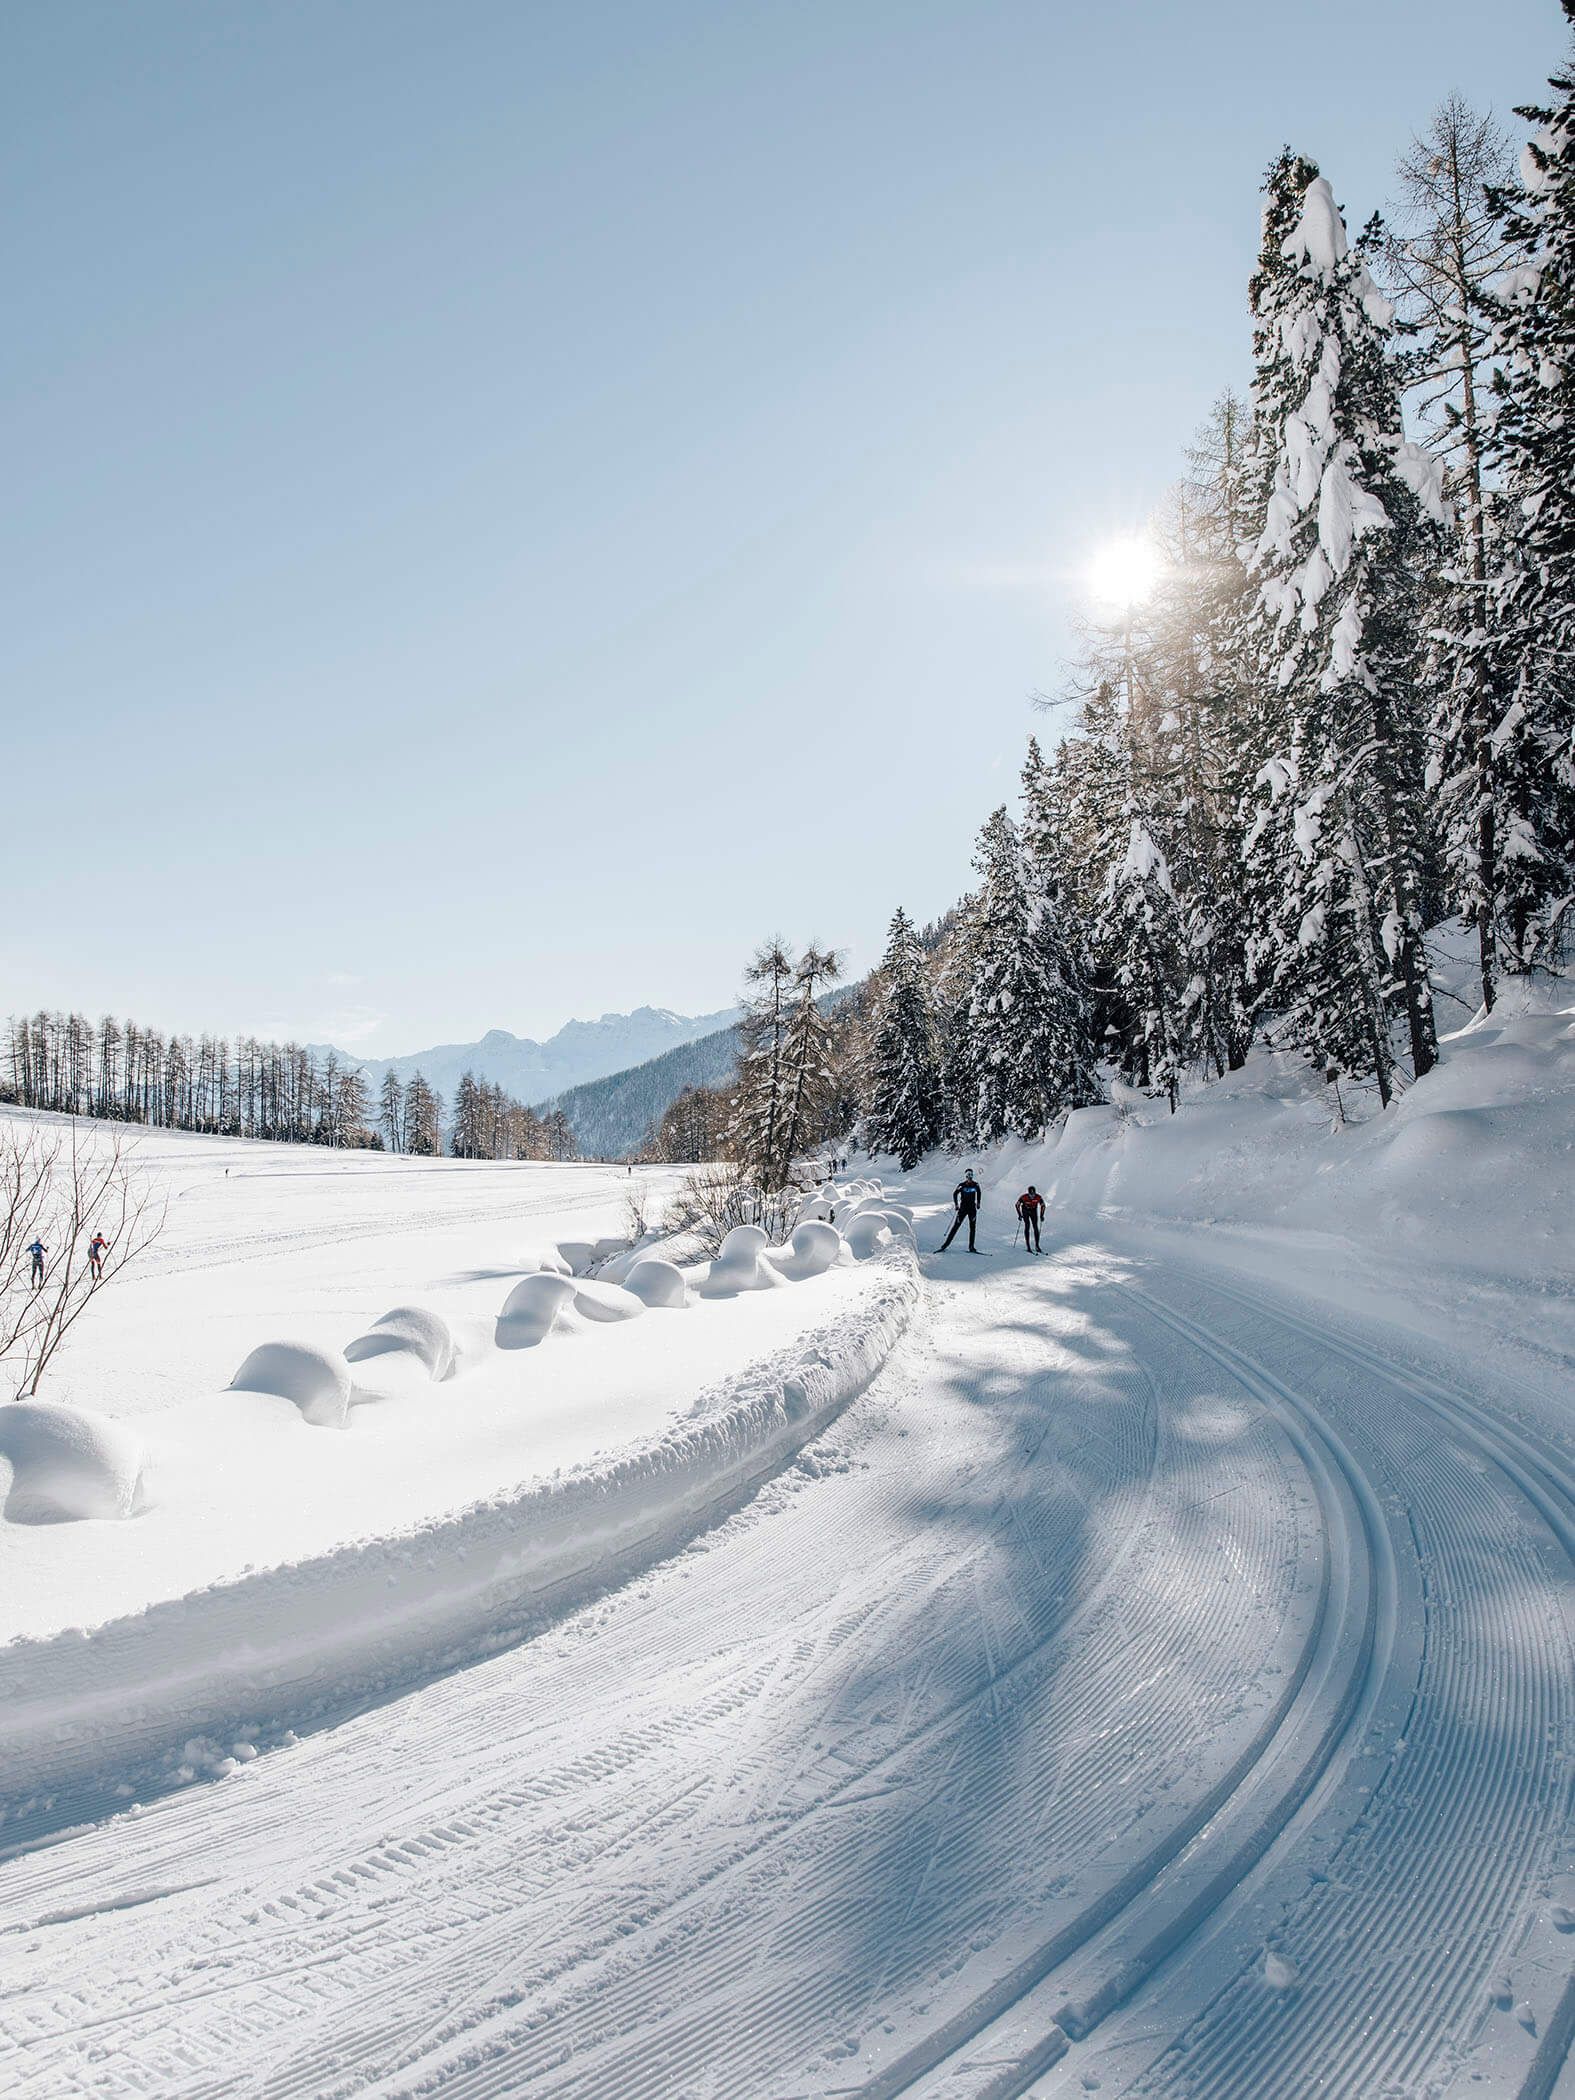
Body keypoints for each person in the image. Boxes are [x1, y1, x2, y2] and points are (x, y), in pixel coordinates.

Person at [938, 1171, 983, 1252]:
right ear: (966, 1177)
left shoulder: (976, 1185)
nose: (970, 1178)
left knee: (972, 1228)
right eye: (968, 1176)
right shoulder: (962, 1185)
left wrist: (978, 1203)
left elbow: (979, 1192)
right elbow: (955, 1194)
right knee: (956, 1226)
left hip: (972, 1209)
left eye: (971, 1176)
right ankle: (945, 1245)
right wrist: (956, 1205)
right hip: (963, 1209)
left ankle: (971, 1247)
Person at [1016, 1185, 1045, 1253]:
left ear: (1035, 1193)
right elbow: (1017, 1205)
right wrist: (1019, 1215)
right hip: (1025, 1211)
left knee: (1035, 1227)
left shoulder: (1038, 1197)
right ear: (1028, 1193)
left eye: (1033, 1194)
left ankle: (1037, 1246)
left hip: (1033, 1211)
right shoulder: (1024, 1197)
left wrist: (1041, 1215)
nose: (1032, 1196)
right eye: (1030, 1195)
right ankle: (1028, 1246)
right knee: (1027, 1226)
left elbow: (1043, 1206)